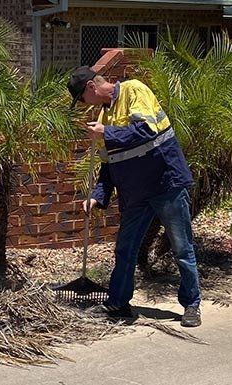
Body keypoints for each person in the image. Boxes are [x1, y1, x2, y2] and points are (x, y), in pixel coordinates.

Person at [67, 66, 202, 327]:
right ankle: (118, 304)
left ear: (91, 88)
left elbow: (146, 131)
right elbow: (109, 166)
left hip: (166, 184)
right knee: (125, 249)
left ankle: (192, 305)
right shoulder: (103, 117)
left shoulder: (134, 90)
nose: (84, 105)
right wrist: (97, 196)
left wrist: (107, 133)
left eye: (82, 98)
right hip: (136, 194)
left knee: (182, 248)